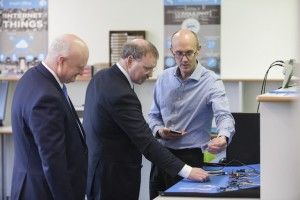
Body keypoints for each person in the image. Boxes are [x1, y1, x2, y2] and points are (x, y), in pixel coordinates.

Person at [83, 38, 209, 200]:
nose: (150, 74)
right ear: (130, 60)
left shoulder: (101, 77)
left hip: (97, 174)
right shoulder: (121, 93)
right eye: (147, 68)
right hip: (114, 181)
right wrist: (187, 171)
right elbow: (145, 142)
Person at [148, 29, 235, 199]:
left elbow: (224, 116)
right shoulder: (163, 78)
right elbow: (153, 116)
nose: (184, 59)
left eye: (189, 53)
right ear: (172, 52)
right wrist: (159, 131)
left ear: (198, 50)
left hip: (191, 158)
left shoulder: (211, 82)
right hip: (161, 155)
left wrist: (224, 136)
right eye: (179, 53)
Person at [11, 34, 89, 200]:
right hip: (45, 192)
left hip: (34, 186)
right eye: (79, 67)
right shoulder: (47, 96)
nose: (82, 72)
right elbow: (53, 163)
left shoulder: (32, 78)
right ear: (61, 60)